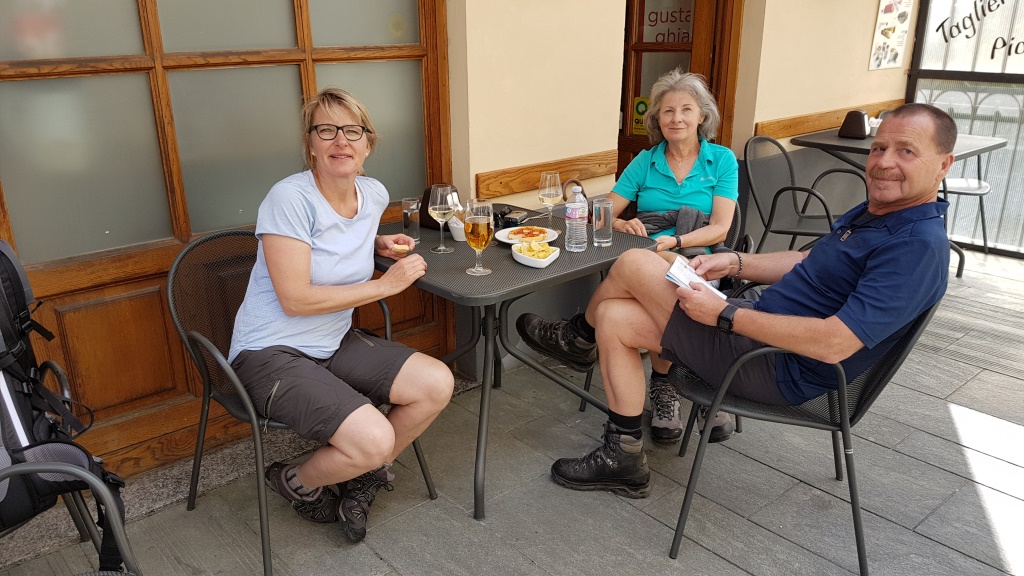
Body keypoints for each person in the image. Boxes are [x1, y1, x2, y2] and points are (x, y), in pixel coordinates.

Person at [517, 103, 954, 498]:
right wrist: (735, 262)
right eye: (879, 148)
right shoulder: (878, 213)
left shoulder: (915, 247)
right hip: (757, 331)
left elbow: (834, 343)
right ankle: (624, 455)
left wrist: (724, 314)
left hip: (773, 364)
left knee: (635, 262)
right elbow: (807, 261)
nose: (884, 162)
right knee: (615, 315)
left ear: (943, 165)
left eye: (906, 151)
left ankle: (576, 338)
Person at [228, 87, 454, 542]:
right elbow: (294, 299)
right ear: (310, 143)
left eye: (352, 131)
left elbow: (335, 242)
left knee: (436, 383)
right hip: (270, 352)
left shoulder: (372, 193)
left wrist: (376, 244)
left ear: (369, 143)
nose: (340, 141)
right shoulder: (289, 198)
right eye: (326, 130)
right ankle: (296, 482)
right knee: (375, 439)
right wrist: (384, 285)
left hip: (332, 341)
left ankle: (362, 476)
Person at [520, 69, 739, 444]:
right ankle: (688, 383)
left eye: (686, 109)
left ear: (702, 115)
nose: (677, 118)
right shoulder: (645, 161)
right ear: (657, 119)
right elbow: (603, 211)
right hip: (646, 257)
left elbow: (720, 228)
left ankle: (582, 337)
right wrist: (619, 223)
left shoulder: (721, 160)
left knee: (642, 284)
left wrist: (675, 241)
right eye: (667, 111)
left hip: (701, 262)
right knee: (641, 282)